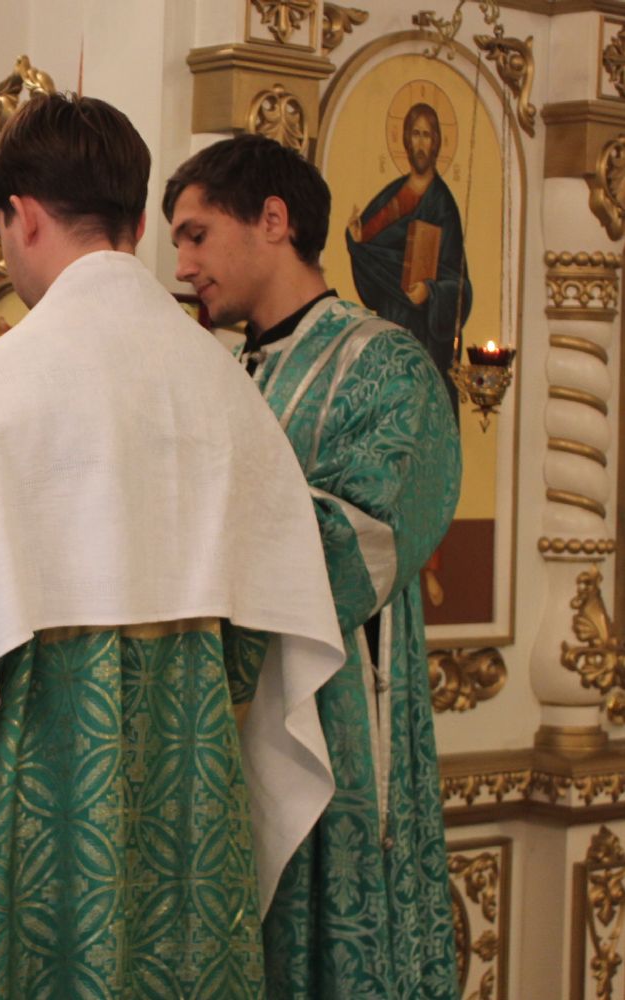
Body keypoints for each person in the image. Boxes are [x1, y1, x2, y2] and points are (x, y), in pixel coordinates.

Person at [0, 94, 347, 999]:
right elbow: (271, 648)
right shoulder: (227, 393)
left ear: (22, 216)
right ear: (132, 218)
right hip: (194, 833)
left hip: (33, 836)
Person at [164, 133, 461, 998]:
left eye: (195, 235)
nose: (182, 266)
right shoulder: (220, 375)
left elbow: (363, 542)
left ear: (273, 219)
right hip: (220, 737)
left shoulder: (386, 366)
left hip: (334, 736)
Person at [346, 103, 472, 410]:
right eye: (415, 134)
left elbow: (459, 284)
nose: (420, 143)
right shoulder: (392, 195)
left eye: (427, 135)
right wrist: (356, 239)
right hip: (390, 322)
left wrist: (431, 291)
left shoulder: (442, 205)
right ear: (405, 139)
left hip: (426, 334)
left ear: (436, 142)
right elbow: (370, 251)